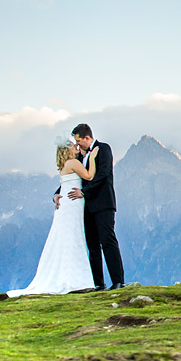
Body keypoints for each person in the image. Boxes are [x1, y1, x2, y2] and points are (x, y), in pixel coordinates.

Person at [8, 139, 100, 297]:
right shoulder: (73, 163)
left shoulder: (64, 165)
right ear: (68, 150)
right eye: (73, 145)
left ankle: (72, 278)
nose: (76, 146)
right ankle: (77, 279)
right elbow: (89, 176)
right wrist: (92, 158)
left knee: (66, 237)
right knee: (74, 237)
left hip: (66, 203)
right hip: (73, 203)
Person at [55, 123, 125, 291]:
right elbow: (72, 179)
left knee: (108, 241)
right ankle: (98, 283)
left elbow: (103, 174)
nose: (77, 145)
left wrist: (84, 192)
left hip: (103, 204)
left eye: (79, 141)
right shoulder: (80, 157)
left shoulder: (103, 149)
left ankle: (118, 281)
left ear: (87, 137)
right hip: (86, 207)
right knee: (92, 245)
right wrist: (57, 193)